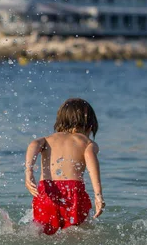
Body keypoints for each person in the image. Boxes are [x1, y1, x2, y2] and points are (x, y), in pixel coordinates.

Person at [24, 98, 105, 235]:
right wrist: (98, 194)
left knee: (41, 232)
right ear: (90, 125)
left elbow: (33, 144)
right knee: (76, 234)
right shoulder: (86, 143)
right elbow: (91, 162)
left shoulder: (48, 139)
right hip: (74, 193)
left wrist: (29, 172)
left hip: (47, 192)